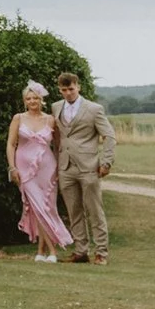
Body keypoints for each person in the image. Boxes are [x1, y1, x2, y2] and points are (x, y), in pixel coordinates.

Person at [6, 81, 72, 263]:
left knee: (47, 208)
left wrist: (59, 167)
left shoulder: (50, 119)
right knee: (36, 206)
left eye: (35, 97)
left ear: (41, 99)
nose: (32, 101)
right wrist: (12, 167)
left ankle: (41, 252)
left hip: (47, 168)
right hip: (24, 169)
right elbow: (11, 144)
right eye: (29, 98)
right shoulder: (18, 118)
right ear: (24, 101)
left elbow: (58, 146)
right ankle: (53, 251)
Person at [53, 72, 114, 265]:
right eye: (64, 90)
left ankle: (101, 252)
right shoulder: (56, 107)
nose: (68, 93)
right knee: (74, 211)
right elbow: (57, 138)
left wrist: (106, 162)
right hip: (65, 167)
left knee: (94, 210)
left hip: (89, 167)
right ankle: (81, 251)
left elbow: (109, 136)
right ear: (59, 90)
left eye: (71, 89)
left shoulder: (94, 109)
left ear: (78, 87)